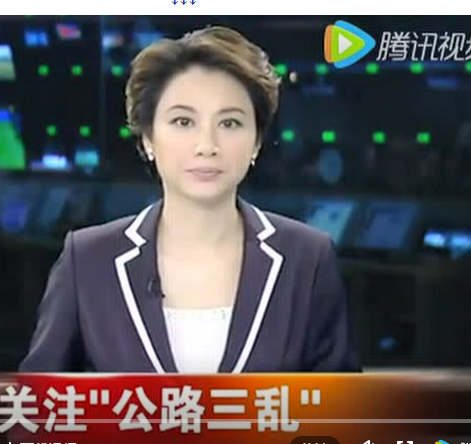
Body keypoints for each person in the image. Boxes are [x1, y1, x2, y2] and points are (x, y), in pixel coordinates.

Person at [20, 25, 361, 373]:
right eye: (183, 121)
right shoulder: (88, 261)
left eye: (230, 123)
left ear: (257, 141)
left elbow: (344, 403)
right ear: (148, 138)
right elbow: (36, 401)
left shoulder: (308, 260)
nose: (207, 146)